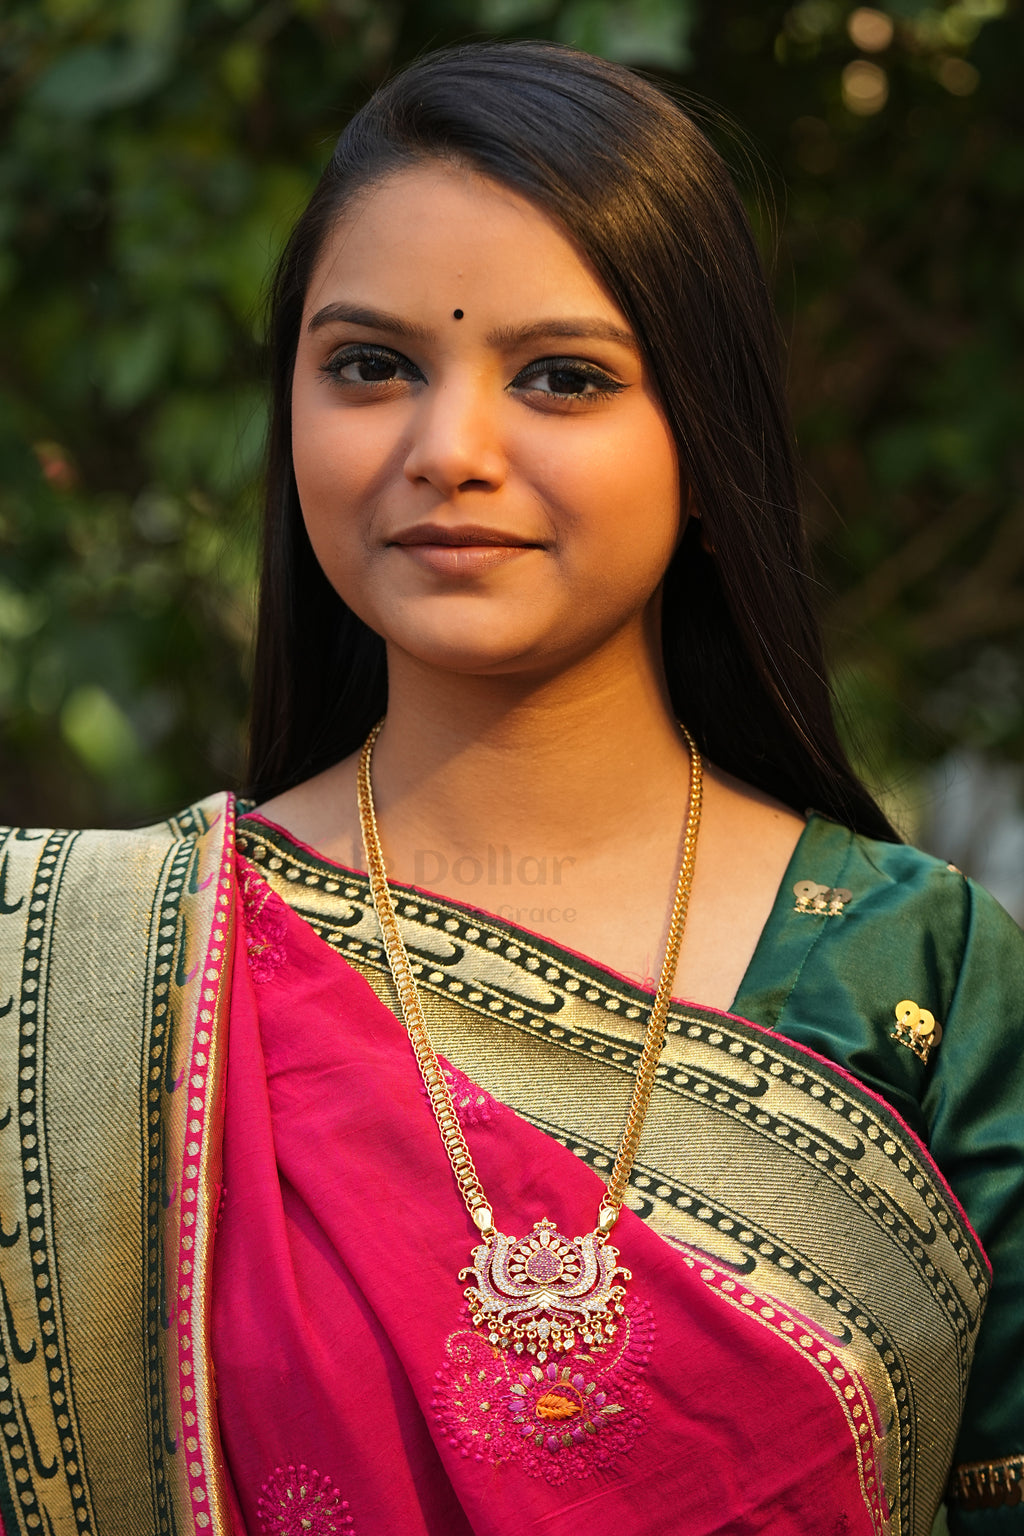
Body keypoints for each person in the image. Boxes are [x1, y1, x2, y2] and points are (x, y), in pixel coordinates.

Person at [0, 39, 1020, 1536]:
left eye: (561, 377)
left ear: (709, 440)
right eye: (371, 366)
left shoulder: (918, 970)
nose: (447, 450)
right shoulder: (82, 981)